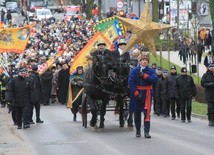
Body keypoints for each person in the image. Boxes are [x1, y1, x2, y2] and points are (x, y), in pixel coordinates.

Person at [128, 52, 157, 138]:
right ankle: (138, 131)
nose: (144, 62)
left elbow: (154, 80)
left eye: (146, 60)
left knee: (146, 114)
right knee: (137, 114)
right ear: (139, 61)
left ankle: (146, 132)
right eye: (143, 60)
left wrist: (145, 76)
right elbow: (130, 82)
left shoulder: (151, 70)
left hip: (147, 95)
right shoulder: (134, 71)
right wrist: (136, 93)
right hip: (136, 94)